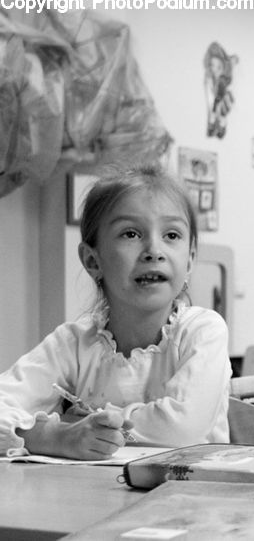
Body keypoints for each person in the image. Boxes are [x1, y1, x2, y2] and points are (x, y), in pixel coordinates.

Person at [0, 164, 232, 460]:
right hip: (95, 500)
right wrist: (54, 436)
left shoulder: (203, 331)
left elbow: (184, 428)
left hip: (191, 500)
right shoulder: (74, 343)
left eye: (172, 235)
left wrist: (92, 425)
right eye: (131, 233)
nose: (154, 250)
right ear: (92, 261)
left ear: (190, 260)